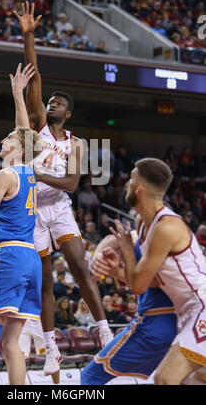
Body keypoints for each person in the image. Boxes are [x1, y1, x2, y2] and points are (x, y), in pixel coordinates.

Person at [14, 1, 113, 378]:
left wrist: (37, 177)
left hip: (58, 205)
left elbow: (72, 184)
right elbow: (35, 75)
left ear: (67, 114)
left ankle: (104, 332)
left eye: (58, 103)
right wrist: (28, 36)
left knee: (81, 268)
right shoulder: (38, 122)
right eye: (51, 101)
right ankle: (52, 346)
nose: (51, 104)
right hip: (32, 212)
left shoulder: (77, 143)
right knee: (46, 281)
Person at [85, 158, 206, 385]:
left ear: (138, 187)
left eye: (130, 179)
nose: (126, 185)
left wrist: (128, 252)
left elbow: (138, 286)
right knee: (186, 380)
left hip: (201, 305)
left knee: (166, 378)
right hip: (188, 310)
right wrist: (116, 271)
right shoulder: (143, 222)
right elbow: (149, 282)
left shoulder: (166, 227)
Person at [0, 62, 44, 386]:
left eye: (8, 138)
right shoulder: (29, 170)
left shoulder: (4, 174)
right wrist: (18, 94)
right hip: (32, 259)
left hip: (11, 256)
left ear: (16, 148)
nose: (4, 138)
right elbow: (25, 132)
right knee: (10, 343)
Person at [81, 228, 177, 384]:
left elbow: (145, 283)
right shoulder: (181, 240)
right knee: (173, 378)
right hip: (188, 322)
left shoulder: (158, 237)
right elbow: (111, 239)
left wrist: (116, 271)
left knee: (90, 376)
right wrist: (98, 254)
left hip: (155, 321)